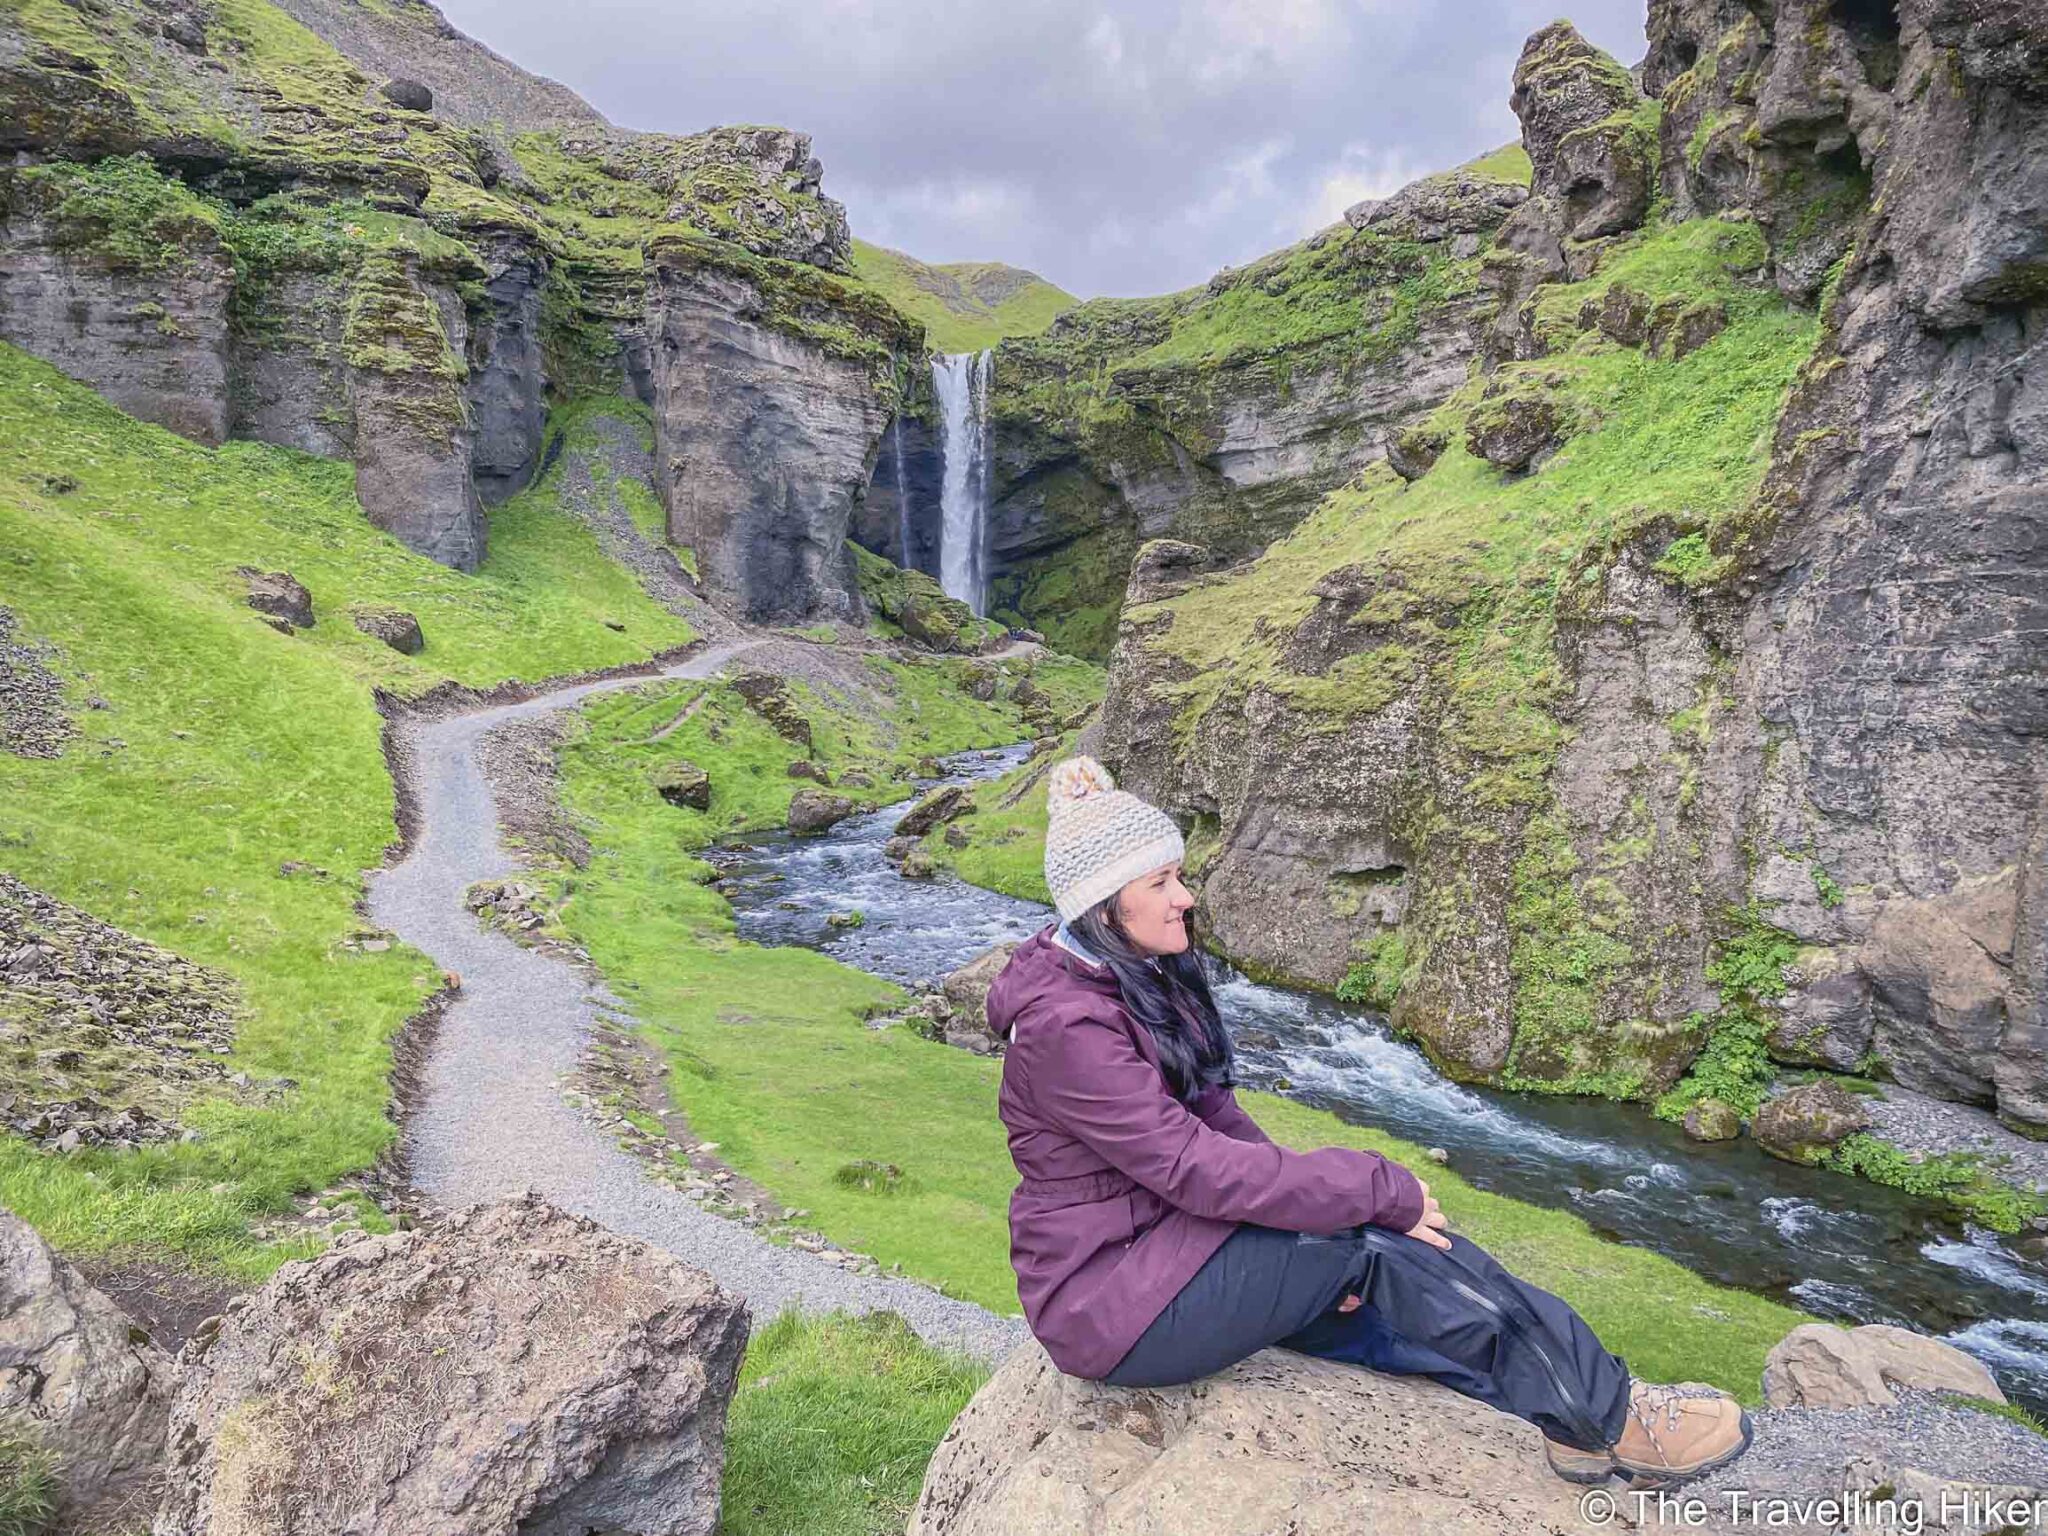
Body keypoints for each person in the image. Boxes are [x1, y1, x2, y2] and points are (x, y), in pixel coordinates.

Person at [987, 754, 1754, 1488]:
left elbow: (1215, 1117)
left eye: (1179, 875)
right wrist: (1371, 1187)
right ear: (1104, 903)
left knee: (1373, 1281)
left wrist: (1312, 1210)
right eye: (1161, 881)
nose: (1184, 896)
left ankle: (1566, 1416)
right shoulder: (1067, 1028)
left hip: (1165, 1255)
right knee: (1365, 1241)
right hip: (1111, 1301)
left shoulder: (1128, 978)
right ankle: (1610, 1414)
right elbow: (1193, 1167)